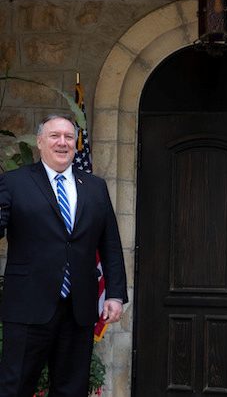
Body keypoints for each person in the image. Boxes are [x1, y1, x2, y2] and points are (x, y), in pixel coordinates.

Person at [0, 114, 128, 397]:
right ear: (40, 141)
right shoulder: (13, 182)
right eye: (55, 136)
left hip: (78, 309)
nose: (62, 143)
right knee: (14, 387)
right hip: (27, 307)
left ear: (75, 143)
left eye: (68, 137)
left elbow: (110, 243)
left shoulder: (95, 187)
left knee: (72, 390)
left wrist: (115, 295)